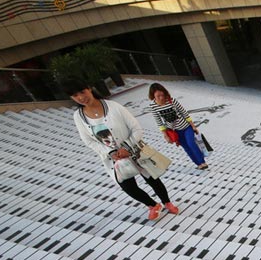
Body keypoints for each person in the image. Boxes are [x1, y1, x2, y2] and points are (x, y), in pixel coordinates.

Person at [65, 81, 178, 221]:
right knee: (128, 187)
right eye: (75, 95)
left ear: (89, 88)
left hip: (135, 151)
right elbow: (88, 141)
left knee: (152, 179)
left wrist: (127, 147)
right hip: (114, 159)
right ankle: (153, 205)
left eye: (82, 92)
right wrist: (110, 152)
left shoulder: (113, 107)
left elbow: (136, 129)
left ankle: (167, 202)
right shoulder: (78, 116)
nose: (81, 97)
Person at [146, 82, 208, 170]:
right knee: (186, 147)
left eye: (162, 95)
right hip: (174, 132)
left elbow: (184, 113)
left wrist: (193, 126)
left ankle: (203, 162)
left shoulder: (171, 100)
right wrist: (166, 135)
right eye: (158, 96)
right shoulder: (153, 106)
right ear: (153, 96)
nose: (161, 98)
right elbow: (159, 122)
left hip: (186, 127)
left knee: (191, 143)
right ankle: (198, 164)